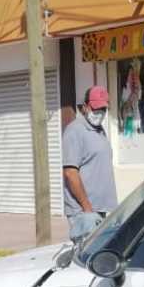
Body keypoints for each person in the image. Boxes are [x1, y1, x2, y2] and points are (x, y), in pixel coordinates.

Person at [62, 85, 119, 241]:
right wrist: (87, 208)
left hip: (98, 210)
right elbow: (70, 173)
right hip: (84, 212)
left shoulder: (99, 130)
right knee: (87, 260)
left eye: (103, 109)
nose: (99, 113)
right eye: (96, 108)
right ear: (85, 107)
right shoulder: (75, 131)